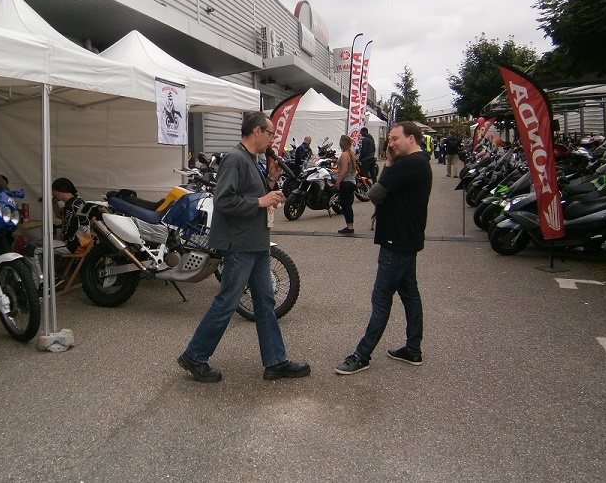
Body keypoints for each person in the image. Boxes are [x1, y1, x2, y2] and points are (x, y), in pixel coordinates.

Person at [178, 112, 311, 382]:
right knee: (227, 300)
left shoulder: (251, 159)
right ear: (257, 131)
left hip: (256, 243)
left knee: (265, 302)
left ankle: (275, 361)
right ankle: (194, 355)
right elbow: (223, 200)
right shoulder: (235, 159)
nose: (273, 139)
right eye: (271, 133)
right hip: (240, 244)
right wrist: (261, 201)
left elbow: (249, 194)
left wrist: (270, 182)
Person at [335, 121, 433, 375]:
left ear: (411, 139)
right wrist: (390, 162)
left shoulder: (408, 163)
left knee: (381, 299)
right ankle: (413, 349)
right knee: (410, 295)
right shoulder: (420, 161)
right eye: (389, 139)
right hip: (407, 239)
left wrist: (388, 163)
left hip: (396, 241)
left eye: (395, 139)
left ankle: (362, 355)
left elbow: (374, 194)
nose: (390, 143)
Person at [51, 177, 91, 256]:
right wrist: (54, 202)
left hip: (73, 245)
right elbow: (59, 215)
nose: (52, 193)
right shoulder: (77, 202)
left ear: (60, 190)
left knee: (33, 248)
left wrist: (62, 238)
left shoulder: (71, 206)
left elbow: (72, 227)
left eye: (53, 191)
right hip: (82, 242)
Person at [334, 134, 357, 235]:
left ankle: (350, 227)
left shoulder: (344, 155)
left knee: (346, 205)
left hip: (346, 182)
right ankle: (349, 226)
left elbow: (344, 170)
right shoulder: (350, 154)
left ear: (342, 142)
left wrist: (338, 181)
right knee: (347, 205)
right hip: (351, 181)